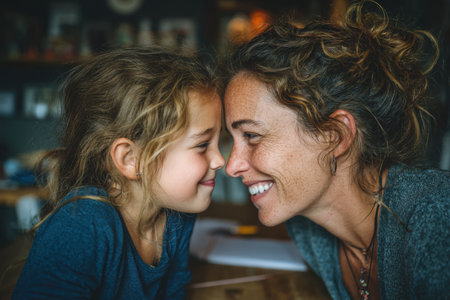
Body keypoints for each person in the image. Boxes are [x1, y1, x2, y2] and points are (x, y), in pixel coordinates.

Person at [222, 1, 450, 299]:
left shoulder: (436, 224)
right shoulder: (308, 230)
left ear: (335, 135)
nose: (231, 165)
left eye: (252, 136)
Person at [12, 47, 225, 299]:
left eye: (218, 142)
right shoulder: (82, 226)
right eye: (202, 145)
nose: (221, 160)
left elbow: (174, 291)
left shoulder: (178, 214)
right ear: (130, 159)